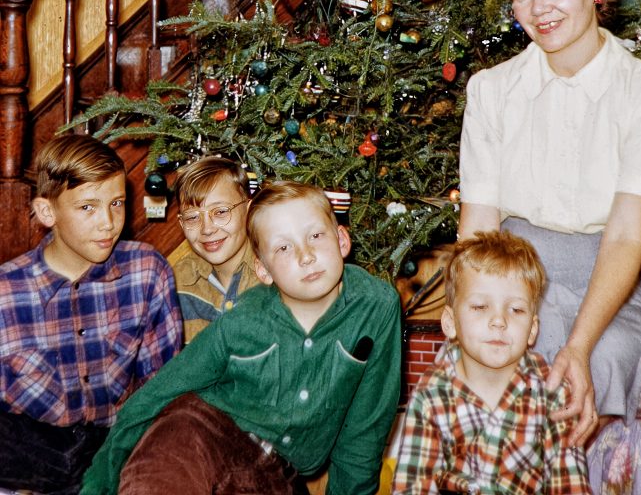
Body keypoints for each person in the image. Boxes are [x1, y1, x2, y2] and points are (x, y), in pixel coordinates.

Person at [458, 0, 641, 445]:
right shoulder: (491, 92)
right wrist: (475, 312)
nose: (540, 9)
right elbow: (477, 227)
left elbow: (627, 236)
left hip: (610, 286)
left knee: (588, 365)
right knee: (504, 358)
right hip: (510, 279)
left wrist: (579, 347)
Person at [80, 179, 402, 495]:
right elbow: (155, 396)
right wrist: (98, 485)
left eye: (315, 235)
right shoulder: (242, 323)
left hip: (278, 472)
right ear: (263, 271)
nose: (306, 256)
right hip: (205, 431)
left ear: (342, 240)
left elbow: (366, 427)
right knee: (165, 461)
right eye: (284, 247)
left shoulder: (378, 306)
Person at [0, 134, 183, 495]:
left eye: (117, 203)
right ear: (46, 212)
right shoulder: (5, 293)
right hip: (24, 463)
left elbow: (163, 392)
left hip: (107, 455)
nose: (108, 223)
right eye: (88, 207)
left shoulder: (147, 272)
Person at [392, 230, 591, 494]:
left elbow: (570, 483)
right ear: (450, 323)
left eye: (516, 310)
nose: (499, 321)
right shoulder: (432, 395)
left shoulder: (552, 392)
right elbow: (414, 484)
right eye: (480, 307)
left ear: (532, 330)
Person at [172, 155, 258, 342]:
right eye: (192, 217)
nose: (207, 229)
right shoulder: (176, 282)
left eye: (220, 212)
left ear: (249, 210)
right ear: (181, 223)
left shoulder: (275, 275)